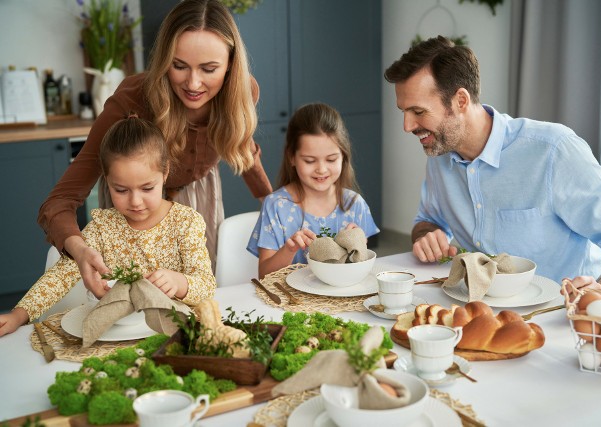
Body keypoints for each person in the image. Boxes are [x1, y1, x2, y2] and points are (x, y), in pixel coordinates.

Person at [37, 0, 271, 299]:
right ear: (163, 60)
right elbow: (59, 201)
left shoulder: (243, 90)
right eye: (179, 65)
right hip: (131, 200)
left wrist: (270, 201)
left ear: (230, 66)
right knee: (132, 302)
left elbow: (241, 141)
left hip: (199, 197)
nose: (194, 83)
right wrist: (79, 248)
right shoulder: (131, 100)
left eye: (209, 69)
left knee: (193, 296)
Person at [384, 36, 601, 292]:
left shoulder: (553, 150)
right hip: (480, 309)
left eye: (418, 112)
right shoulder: (440, 153)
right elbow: (428, 219)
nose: (407, 126)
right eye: (403, 112)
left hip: (562, 312)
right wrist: (426, 236)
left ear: (460, 100)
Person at [0, 115, 216, 337]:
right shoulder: (103, 227)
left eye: (147, 188)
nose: (135, 201)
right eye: (121, 190)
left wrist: (179, 283)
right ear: (106, 180)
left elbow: (206, 285)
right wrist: (18, 314)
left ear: (165, 173)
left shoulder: (186, 222)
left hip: (171, 333)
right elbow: (60, 276)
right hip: (115, 334)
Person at [247, 103, 379, 278]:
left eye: (331, 159)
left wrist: (359, 245)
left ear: (343, 157)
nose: (322, 169)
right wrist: (290, 248)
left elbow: (363, 268)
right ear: (291, 157)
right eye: (310, 161)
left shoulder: (354, 204)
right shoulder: (276, 206)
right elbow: (264, 275)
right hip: (293, 302)